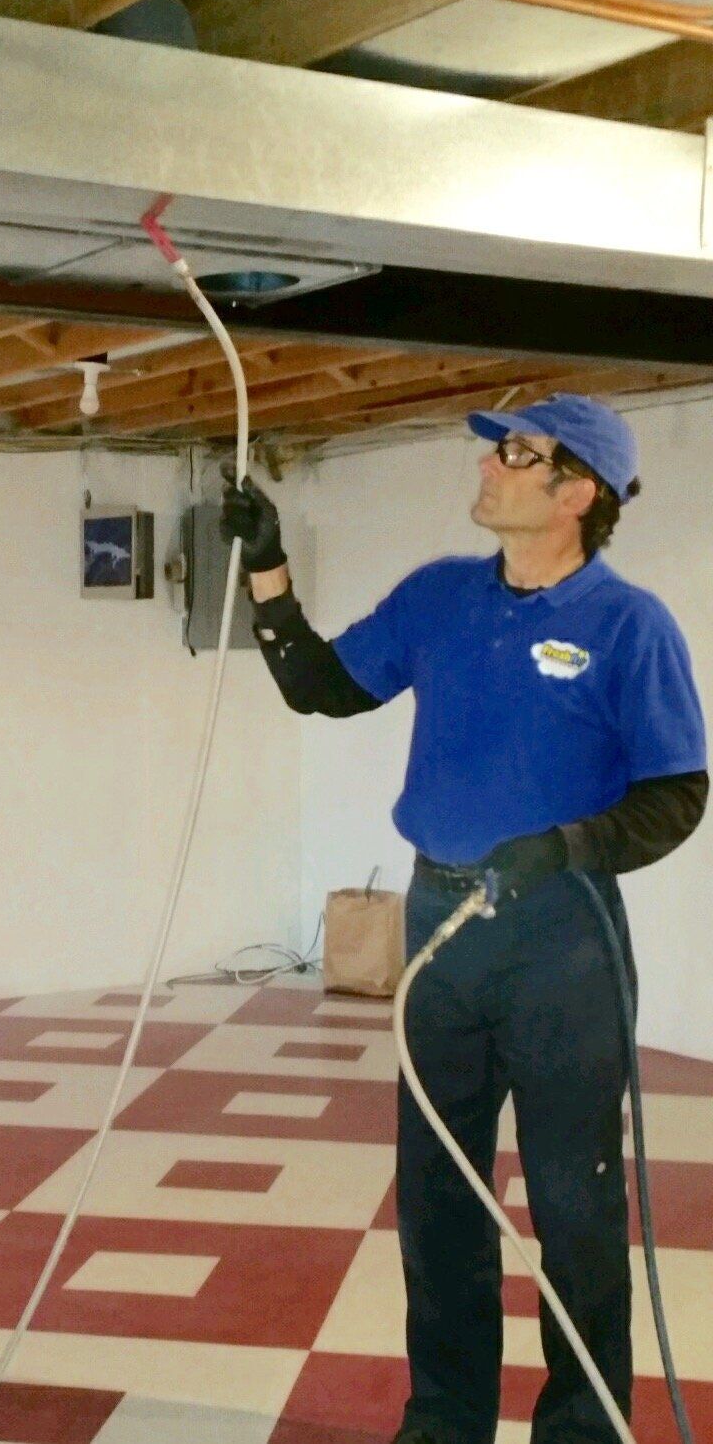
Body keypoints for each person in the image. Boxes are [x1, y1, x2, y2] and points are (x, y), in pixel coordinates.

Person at [221, 394, 707, 1444]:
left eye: (518, 453)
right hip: (441, 921)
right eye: (494, 446)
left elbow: (678, 792)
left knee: (575, 1206)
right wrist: (269, 571)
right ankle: (445, 1422)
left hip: (564, 940)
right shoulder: (440, 597)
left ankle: (581, 1428)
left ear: (576, 492)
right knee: (439, 1193)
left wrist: (568, 846)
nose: (490, 463)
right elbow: (321, 686)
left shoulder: (629, 625)